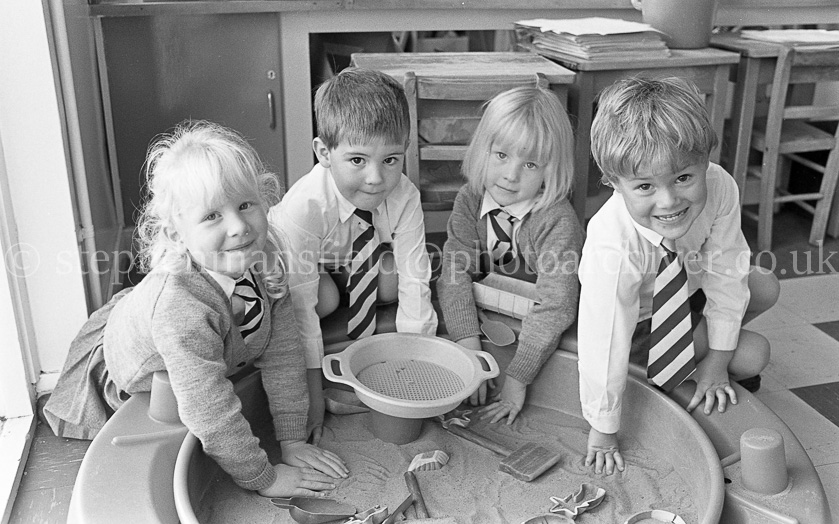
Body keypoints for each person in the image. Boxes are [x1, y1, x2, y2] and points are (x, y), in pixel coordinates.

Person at [44, 121, 348, 498]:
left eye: (245, 204)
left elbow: (283, 355)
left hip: (197, 338)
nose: (238, 226)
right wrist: (263, 478)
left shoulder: (265, 258)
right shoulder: (179, 307)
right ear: (176, 234)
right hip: (126, 367)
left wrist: (292, 441)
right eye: (211, 216)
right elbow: (210, 409)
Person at [578, 77, 779, 475]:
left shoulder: (720, 186)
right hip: (639, 321)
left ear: (705, 160)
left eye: (684, 178)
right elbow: (604, 338)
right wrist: (602, 428)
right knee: (754, 354)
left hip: (684, 291)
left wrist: (718, 363)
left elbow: (726, 270)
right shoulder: (612, 244)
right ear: (612, 183)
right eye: (644, 186)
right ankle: (672, 367)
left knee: (763, 285)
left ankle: (700, 356)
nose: (668, 201)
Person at [271, 68, 438, 442]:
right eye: (358, 160)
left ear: (405, 149)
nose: (376, 178)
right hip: (306, 267)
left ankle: (361, 311)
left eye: (391, 160)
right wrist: (313, 398)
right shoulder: (303, 207)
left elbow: (416, 274)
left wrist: (417, 365)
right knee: (323, 301)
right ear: (324, 153)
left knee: (394, 282)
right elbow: (299, 306)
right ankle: (343, 306)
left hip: (356, 259)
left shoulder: (405, 196)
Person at [437, 85, 584, 425]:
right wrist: (469, 348)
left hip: (547, 325)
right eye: (501, 155)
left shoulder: (557, 220)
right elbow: (454, 271)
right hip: (492, 312)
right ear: (482, 150)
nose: (511, 175)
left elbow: (557, 303)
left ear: (550, 171)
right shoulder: (470, 199)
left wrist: (517, 378)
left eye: (530, 164)